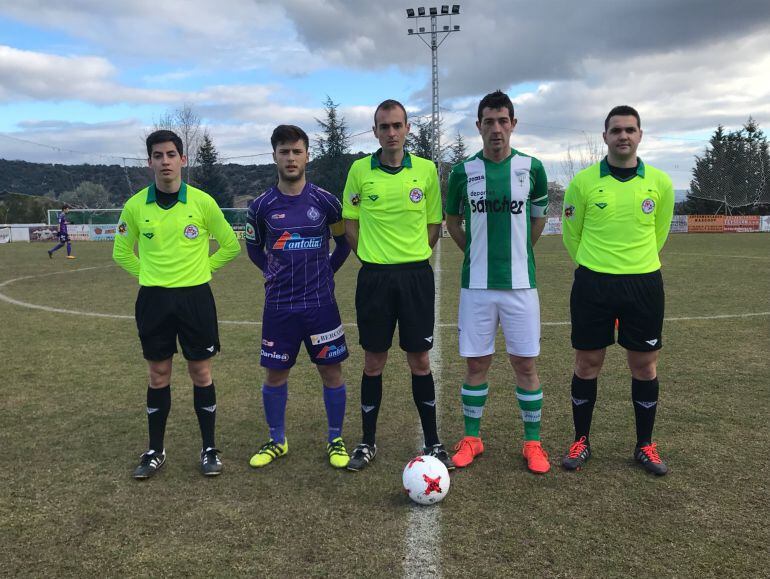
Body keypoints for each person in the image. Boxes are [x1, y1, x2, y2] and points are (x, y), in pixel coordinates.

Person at [113, 129, 240, 480]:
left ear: (182, 159)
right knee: (158, 374)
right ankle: (155, 450)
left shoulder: (202, 202)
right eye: (158, 155)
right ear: (150, 161)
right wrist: (150, 276)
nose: (165, 161)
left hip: (195, 298)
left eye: (171, 154)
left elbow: (230, 245)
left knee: (201, 372)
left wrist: (201, 270)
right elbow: (121, 252)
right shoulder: (137, 205)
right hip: (153, 300)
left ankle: (209, 448)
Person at [561, 105, 674, 475]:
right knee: (587, 363)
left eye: (630, 130)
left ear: (640, 135)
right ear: (605, 135)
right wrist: (596, 264)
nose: (623, 136)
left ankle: (645, 445)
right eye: (616, 130)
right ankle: (581, 441)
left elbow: (659, 233)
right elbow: (571, 235)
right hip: (594, 283)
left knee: (644, 365)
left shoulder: (659, 183)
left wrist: (633, 264)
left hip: (643, 283)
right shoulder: (583, 183)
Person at [342, 99, 452, 472]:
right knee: (374, 360)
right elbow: (350, 222)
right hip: (374, 277)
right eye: (384, 126)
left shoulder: (425, 171)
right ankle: (367, 441)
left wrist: (414, 253)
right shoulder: (359, 171)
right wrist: (369, 257)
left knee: (419, 360)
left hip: (415, 277)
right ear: (375, 131)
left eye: (397, 126)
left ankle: (434, 441)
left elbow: (434, 223)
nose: (391, 132)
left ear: (407, 129)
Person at [445, 90, 551, 474]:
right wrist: (474, 251)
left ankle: (533, 443)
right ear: (478, 126)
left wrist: (520, 251)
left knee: (525, 364)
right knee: (477, 364)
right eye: (488, 121)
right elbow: (452, 221)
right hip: (477, 286)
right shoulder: (462, 172)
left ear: (513, 124)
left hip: (522, 285)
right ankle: (472, 438)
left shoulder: (533, 168)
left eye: (503, 121)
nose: (496, 129)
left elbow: (537, 219)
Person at [245, 125, 352, 469]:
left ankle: (335, 438)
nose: (290, 158)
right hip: (279, 307)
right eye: (284, 151)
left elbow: (343, 242)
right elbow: (253, 247)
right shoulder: (261, 207)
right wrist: (271, 272)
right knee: (275, 375)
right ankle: (277, 440)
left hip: (321, 305)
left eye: (296, 151)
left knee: (331, 372)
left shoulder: (326, 201)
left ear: (307, 155)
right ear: (274, 156)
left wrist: (326, 272)